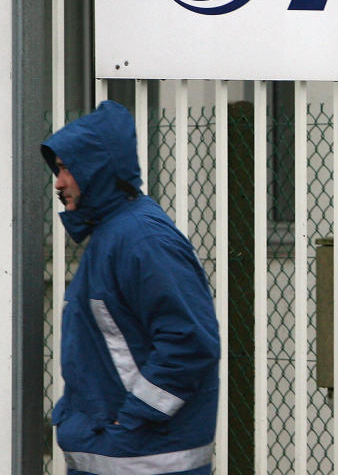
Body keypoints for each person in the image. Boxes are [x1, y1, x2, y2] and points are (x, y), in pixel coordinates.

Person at [42, 100, 220, 475]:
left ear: (95, 168)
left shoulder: (139, 239)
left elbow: (190, 343)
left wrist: (135, 416)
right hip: (127, 452)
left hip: (143, 457)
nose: (57, 183)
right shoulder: (116, 235)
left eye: (64, 169)